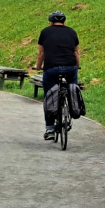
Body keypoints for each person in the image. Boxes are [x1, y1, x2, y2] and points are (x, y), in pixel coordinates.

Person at [34, 11, 81, 140]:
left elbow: (41, 53)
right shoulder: (72, 32)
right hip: (70, 67)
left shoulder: (45, 32)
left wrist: (38, 67)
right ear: (64, 22)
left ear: (50, 22)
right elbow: (76, 52)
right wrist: (77, 66)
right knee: (72, 88)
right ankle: (72, 107)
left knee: (49, 96)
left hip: (51, 68)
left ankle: (49, 129)